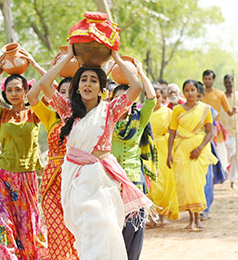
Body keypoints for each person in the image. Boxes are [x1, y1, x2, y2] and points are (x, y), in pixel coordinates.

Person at [36, 45, 153, 260]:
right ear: (77, 86)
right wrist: (69, 58)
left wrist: (116, 57)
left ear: (101, 88)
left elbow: (136, 87)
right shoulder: (67, 109)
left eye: (93, 80)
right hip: (77, 182)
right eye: (83, 80)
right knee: (89, 232)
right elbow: (44, 84)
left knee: (107, 230)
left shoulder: (110, 110)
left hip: (102, 183)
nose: (88, 84)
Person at [0, 50, 49, 259]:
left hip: (27, 177)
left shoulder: (36, 112)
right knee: (1, 221)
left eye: (18, 89)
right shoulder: (1, 114)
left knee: (29, 226)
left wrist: (34, 63)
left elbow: (52, 88)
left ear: (26, 91)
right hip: (2, 175)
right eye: (9, 90)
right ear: (5, 93)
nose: (14, 94)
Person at [27, 77, 79, 260]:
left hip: (75, 182)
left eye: (70, 93)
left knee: (73, 234)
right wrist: (41, 66)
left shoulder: (84, 117)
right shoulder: (50, 117)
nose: (65, 96)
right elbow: (32, 95)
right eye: (61, 92)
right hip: (51, 183)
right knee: (56, 233)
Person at [110, 58, 156, 260]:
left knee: (134, 230)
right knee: (112, 232)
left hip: (134, 184)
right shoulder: (105, 121)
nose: (123, 104)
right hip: (110, 184)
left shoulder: (139, 119)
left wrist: (140, 71)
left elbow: (152, 99)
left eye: (127, 100)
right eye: (119, 100)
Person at [167, 79, 217, 230]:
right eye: (187, 90)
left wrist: (200, 148)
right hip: (182, 150)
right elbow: (172, 133)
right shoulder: (177, 110)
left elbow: (210, 132)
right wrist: (169, 153)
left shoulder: (205, 109)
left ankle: (198, 219)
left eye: (192, 90)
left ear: (198, 92)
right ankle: (190, 219)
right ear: (184, 92)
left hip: (198, 151)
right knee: (185, 184)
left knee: (197, 184)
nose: (189, 93)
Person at [148, 86, 179, 225]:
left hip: (163, 149)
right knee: (150, 183)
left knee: (164, 181)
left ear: (163, 97)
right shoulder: (144, 112)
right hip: (147, 149)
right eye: (151, 96)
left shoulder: (168, 113)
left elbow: (174, 133)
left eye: (158, 96)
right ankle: (150, 216)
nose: (155, 100)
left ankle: (162, 216)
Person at [196, 82, 226, 221]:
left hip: (205, 146)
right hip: (187, 147)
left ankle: (205, 209)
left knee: (206, 179)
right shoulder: (184, 109)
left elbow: (211, 131)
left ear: (201, 95)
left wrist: (201, 146)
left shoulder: (209, 110)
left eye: (196, 94)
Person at [201, 70, 237, 176]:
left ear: (213, 80)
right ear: (203, 79)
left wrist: (234, 110)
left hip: (215, 127)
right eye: (205, 79)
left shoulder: (220, 94)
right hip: (201, 127)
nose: (207, 81)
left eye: (209, 79)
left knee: (220, 151)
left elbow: (229, 112)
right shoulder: (199, 93)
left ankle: (220, 174)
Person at [220, 74, 238, 188]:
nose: (229, 84)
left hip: (236, 131)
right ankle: (222, 176)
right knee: (224, 156)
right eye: (226, 82)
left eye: (230, 82)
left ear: (233, 82)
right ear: (224, 83)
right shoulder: (221, 96)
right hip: (222, 131)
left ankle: (233, 180)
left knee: (237, 157)